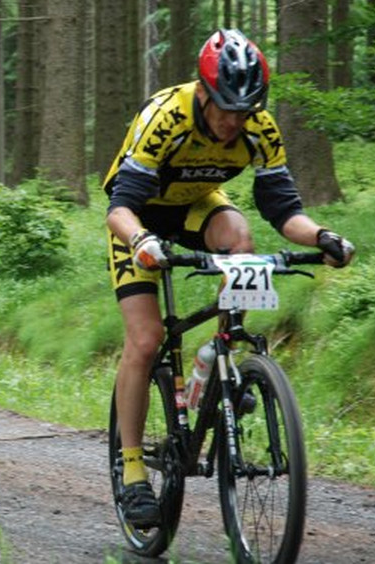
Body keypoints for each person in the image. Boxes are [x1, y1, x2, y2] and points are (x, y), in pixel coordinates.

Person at [103, 28, 356, 528]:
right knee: (146, 339)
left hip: (197, 207)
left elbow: (284, 211)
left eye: (244, 112)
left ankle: (216, 355)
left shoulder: (259, 127)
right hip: (137, 219)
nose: (232, 122)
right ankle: (131, 469)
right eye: (224, 109)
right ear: (202, 92)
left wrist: (323, 236)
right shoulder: (166, 116)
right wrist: (141, 242)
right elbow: (120, 207)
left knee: (241, 236)